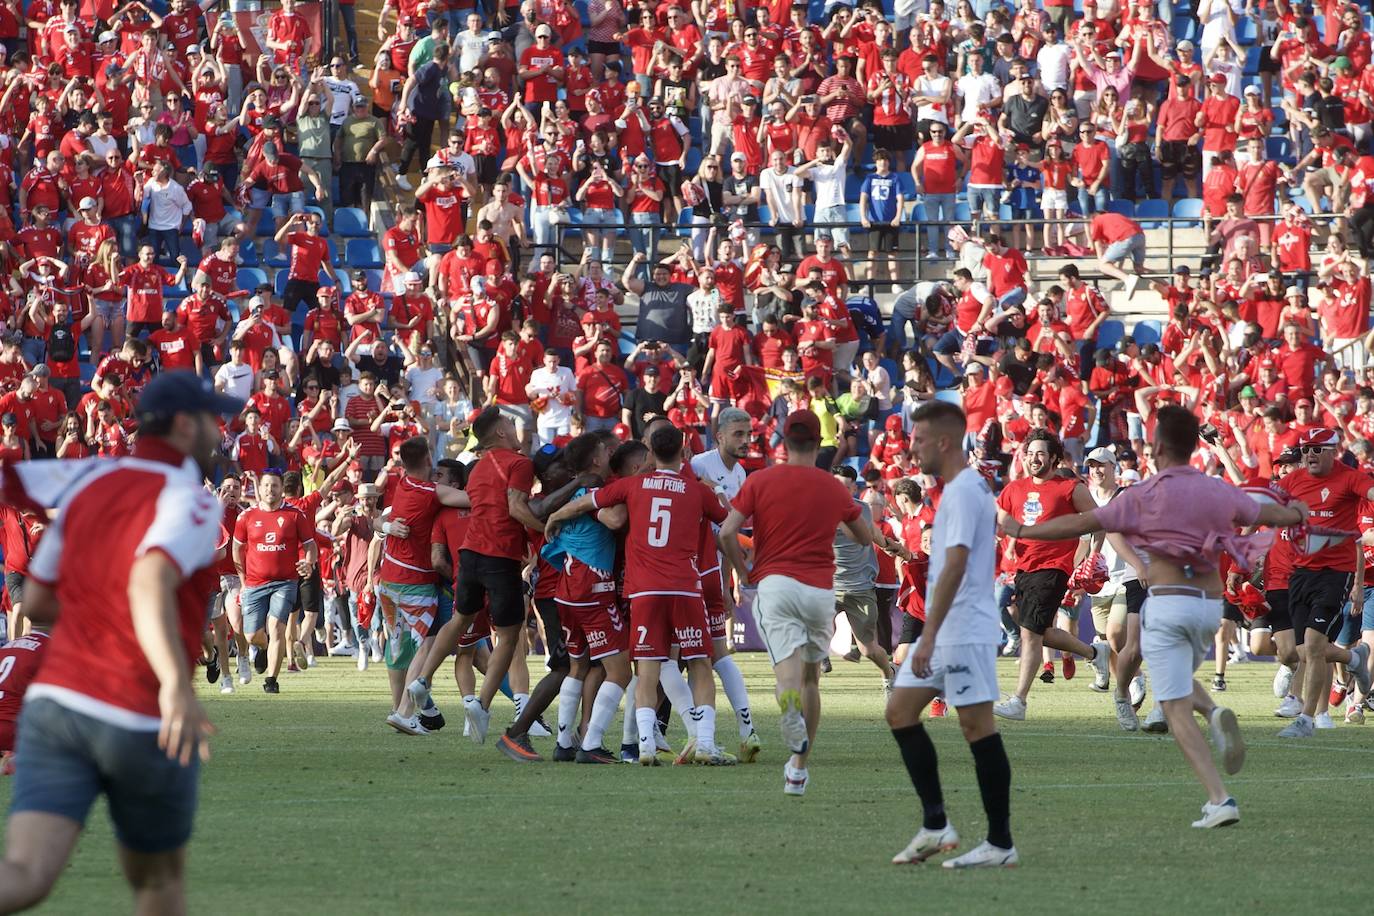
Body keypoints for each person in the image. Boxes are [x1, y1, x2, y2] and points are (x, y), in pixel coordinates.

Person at [0, 371, 240, 912]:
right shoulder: (194, 501)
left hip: (55, 706)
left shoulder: (89, 486)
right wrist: (178, 682)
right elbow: (150, 577)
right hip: (137, 712)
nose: (217, 430)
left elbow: (37, 602)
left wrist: (103, 614)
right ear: (184, 424)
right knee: (156, 883)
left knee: (25, 873)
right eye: (209, 418)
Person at [1008, 405, 1310, 828]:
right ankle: (1213, 711)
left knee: (1172, 707)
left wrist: (1023, 530)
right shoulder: (1215, 488)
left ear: (1159, 447)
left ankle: (1219, 797)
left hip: (1167, 602)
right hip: (1207, 606)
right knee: (1177, 682)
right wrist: (1298, 512)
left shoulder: (1143, 493)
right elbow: (1267, 513)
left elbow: (1083, 522)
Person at [547, 424, 737, 765]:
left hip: (643, 590)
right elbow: (729, 523)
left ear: (651, 454)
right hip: (684, 588)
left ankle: (646, 745)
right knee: (699, 664)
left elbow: (585, 503)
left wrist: (556, 516)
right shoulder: (697, 491)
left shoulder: (630, 485)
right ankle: (705, 743)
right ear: (682, 452)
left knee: (647, 669)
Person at [887, 399, 1017, 869]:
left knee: (976, 727)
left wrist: (928, 635)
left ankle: (1000, 843)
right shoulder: (954, 490)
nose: (912, 447)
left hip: (962, 629)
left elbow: (957, 565)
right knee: (900, 712)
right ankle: (936, 824)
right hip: (950, 629)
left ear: (944, 441)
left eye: (919, 439)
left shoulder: (963, 492)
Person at [720, 409, 870, 795]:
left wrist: (743, 571)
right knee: (811, 679)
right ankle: (798, 769)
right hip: (820, 590)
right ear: (820, 443)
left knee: (786, 675)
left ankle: (788, 710)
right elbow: (864, 537)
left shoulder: (761, 480)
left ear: (783, 442)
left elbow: (727, 533)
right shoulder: (833, 487)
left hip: (776, 585)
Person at [993, 430, 1111, 721]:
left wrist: (1093, 555)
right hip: (1024, 568)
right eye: (1030, 453)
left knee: (1030, 634)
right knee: (1038, 631)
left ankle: (1019, 700)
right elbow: (1001, 520)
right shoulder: (1013, 489)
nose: (1034, 458)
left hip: (1055, 567)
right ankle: (1095, 653)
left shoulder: (1069, 487)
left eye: (1041, 453)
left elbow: (1099, 521)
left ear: (1055, 458)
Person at [1270, 427, 1374, 738]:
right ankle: (1354, 657)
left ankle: (1306, 719)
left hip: (1336, 571)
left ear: (1333, 451)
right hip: (1301, 572)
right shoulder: (1293, 480)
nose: (1310, 454)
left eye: (1317, 448)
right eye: (1306, 449)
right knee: (1302, 652)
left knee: (1314, 646)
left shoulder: (1350, 477)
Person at [689, 407, 761, 762]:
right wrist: (738, 571)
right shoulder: (699, 467)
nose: (746, 441)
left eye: (748, 434)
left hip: (709, 573)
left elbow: (727, 533)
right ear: (719, 437)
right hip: (690, 570)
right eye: (738, 435)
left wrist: (728, 580)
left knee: (703, 656)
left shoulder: (742, 473)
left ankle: (732, 732)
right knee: (699, 657)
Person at [232, 469, 318, 695]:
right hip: (254, 583)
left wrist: (308, 563)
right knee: (252, 635)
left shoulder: (295, 515)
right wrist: (243, 580)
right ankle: (262, 648)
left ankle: (271, 680)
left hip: (285, 582)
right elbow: (236, 549)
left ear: (282, 489)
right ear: (260, 489)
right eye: (267, 485)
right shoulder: (246, 517)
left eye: (275, 486)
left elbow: (310, 545)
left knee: (277, 628)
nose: (271, 490)